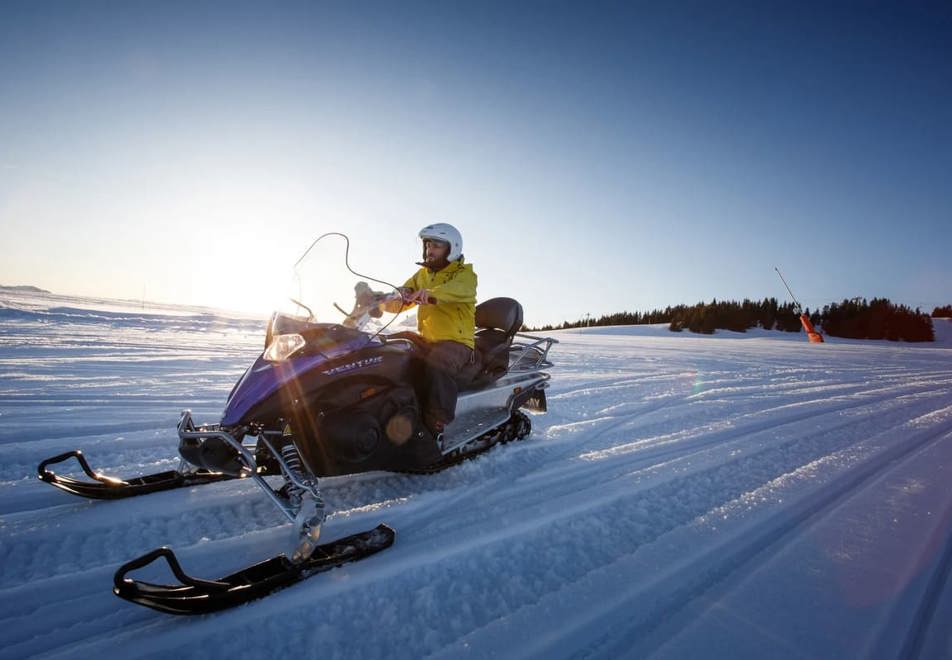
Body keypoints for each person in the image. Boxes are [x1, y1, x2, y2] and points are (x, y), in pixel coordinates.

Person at [395, 223, 477, 438]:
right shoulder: (421, 274)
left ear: (452, 248)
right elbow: (402, 297)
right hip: (427, 339)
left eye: (437, 245)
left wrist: (430, 294)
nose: (430, 249)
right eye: (428, 244)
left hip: (457, 342)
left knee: (437, 363)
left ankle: (436, 425)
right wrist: (381, 300)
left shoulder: (465, 274)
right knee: (392, 348)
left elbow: (459, 290)